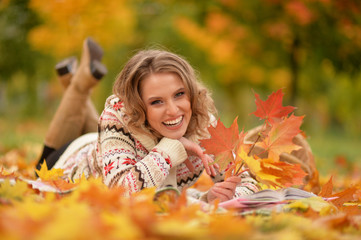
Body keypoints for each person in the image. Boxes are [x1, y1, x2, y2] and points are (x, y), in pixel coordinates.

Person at [37, 37, 315, 203]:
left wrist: (222, 196)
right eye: (157, 101)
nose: (174, 110)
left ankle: (79, 79)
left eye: (179, 94)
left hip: (105, 141)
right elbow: (121, 192)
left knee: (100, 128)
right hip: (67, 163)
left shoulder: (201, 117)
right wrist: (170, 149)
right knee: (47, 156)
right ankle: (78, 83)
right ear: (136, 106)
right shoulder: (118, 117)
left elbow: (240, 174)